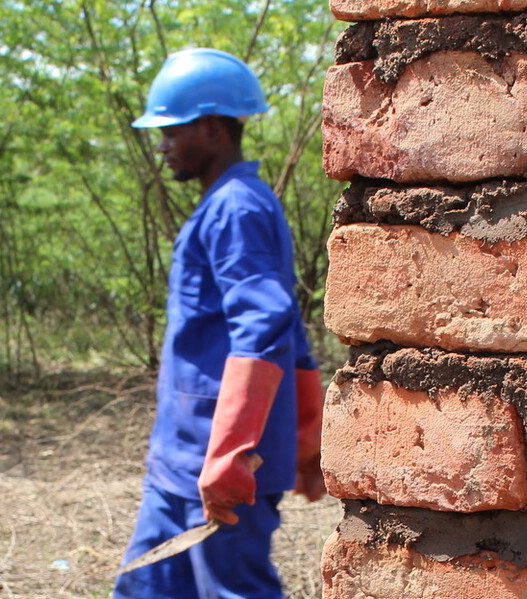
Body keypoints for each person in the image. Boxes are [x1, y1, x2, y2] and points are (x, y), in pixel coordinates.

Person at [114, 48, 327, 599]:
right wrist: (307, 434)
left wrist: (233, 454)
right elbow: (291, 330)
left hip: (218, 463)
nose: (160, 144)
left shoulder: (238, 207)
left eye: (170, 130)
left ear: (211, 129)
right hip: (179, 459)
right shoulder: (224, 205)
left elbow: (268, 324)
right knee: (142, 588)